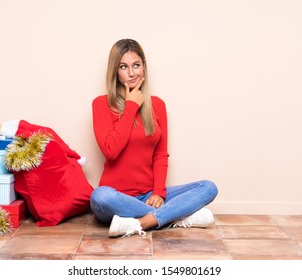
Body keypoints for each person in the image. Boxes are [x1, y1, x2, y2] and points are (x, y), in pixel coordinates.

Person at [90, 38, 218, 237]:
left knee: (208, 187)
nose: (132, 73)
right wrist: (131, 106)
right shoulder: (100, 104)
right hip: (116, 198)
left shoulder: (157, 105)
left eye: (136, 65)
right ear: (115, 71)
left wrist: (158, 192)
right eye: (124, 67)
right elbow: (110, 150)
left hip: (150, 195)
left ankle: (143, 222)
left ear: (144, 67)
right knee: (99, 196)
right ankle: (175, 217)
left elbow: (160, 155)